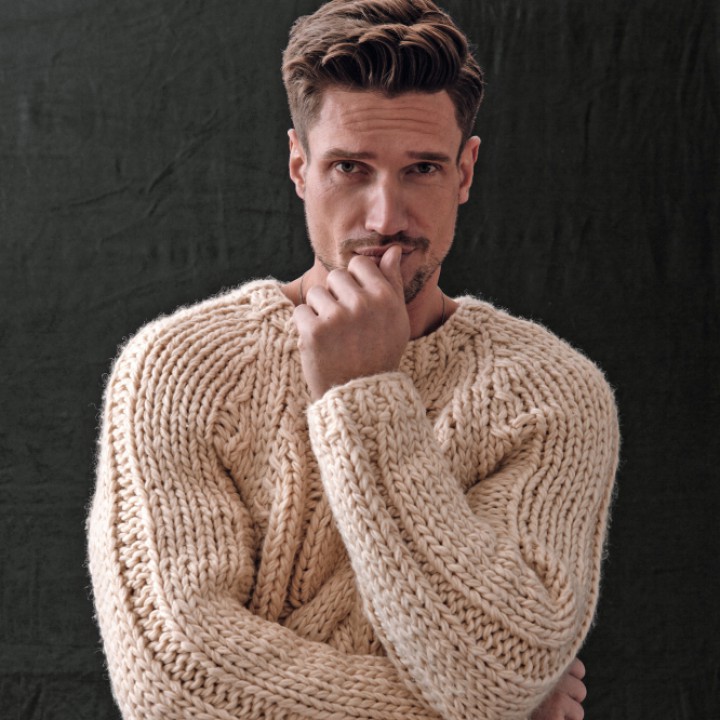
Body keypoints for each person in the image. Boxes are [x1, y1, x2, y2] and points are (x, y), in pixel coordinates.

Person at [87, 1, 618, 718]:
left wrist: (362, 394)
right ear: (299, 167)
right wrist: (497, 707)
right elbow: (177, 684)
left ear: (465, 172)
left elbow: (504, 662)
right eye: (349, 168)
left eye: (422, 168)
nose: (385, 217)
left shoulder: (551, 393)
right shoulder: (178, 370)